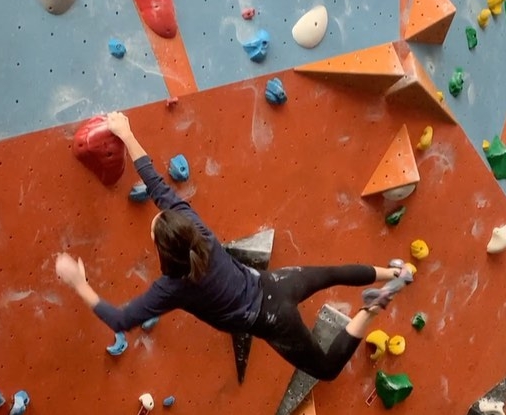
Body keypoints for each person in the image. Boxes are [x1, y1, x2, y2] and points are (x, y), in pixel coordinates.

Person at [55, 111, 414, 381]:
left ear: (161, 248)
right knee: (333, 274)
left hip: (273, 320)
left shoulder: (173, 288)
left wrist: (79, 283)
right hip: (275, 284)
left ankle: (371, 310)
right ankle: (392, 271)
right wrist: (126, 132)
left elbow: (120, 319)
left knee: (326, 368)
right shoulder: (196, 227)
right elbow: (155, 183)